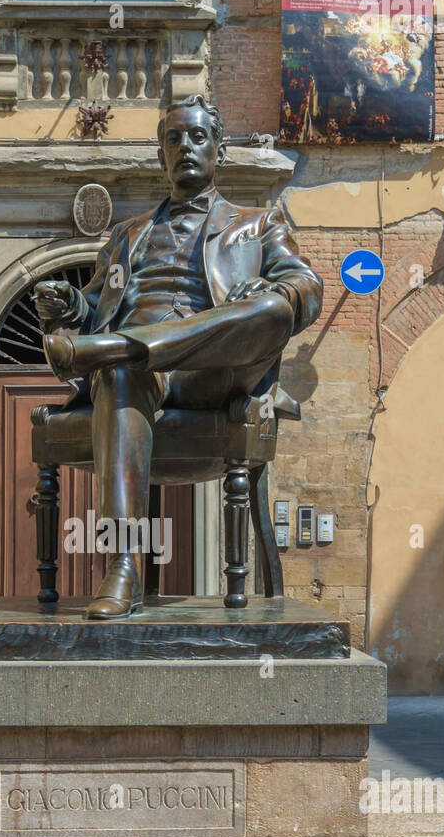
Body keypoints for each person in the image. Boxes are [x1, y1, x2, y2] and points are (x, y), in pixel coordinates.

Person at [33, 96, 323, 619]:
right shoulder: (126, 234)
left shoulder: (257, 225)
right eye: (173, 138)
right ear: (160, 154)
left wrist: (270, 290)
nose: (185, 146)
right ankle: (123, 566)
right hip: (142, 378)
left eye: (197, 137)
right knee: (121, 372)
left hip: (214, 374)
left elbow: (307, 288)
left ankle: (107, 351)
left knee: (272, 310)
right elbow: (98, 303)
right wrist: (69, 304)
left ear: (219, 150)